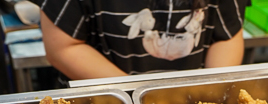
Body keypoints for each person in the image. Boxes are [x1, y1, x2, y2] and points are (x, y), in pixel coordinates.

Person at [40, 0, 248, 80]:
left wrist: (210, 92)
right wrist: (136, 93)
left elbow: (226, 36)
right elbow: (63, 48)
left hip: (190, 98)